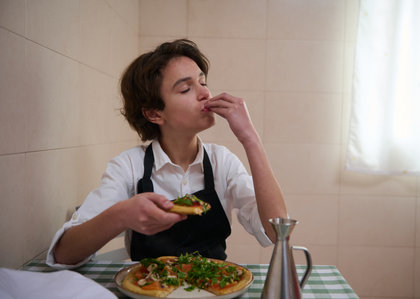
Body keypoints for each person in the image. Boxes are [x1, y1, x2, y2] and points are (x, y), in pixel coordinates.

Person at [46, 39, 287, 268]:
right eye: (185, 89)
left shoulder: (221, 161)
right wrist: (121, 215)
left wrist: (250, 138)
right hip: (147, 288)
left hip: (213, 288)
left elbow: (277, 233)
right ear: (154, 114)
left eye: (202, 82)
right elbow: (63, 254)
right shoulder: (129, 166)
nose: (205, 93)